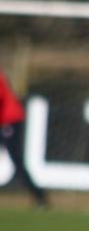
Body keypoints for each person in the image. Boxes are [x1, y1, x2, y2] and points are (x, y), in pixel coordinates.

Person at [0, 66, 48, 209]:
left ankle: (39, 196)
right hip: (6, 119)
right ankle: (39, 196)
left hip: (9, 120)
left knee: (16, 159)